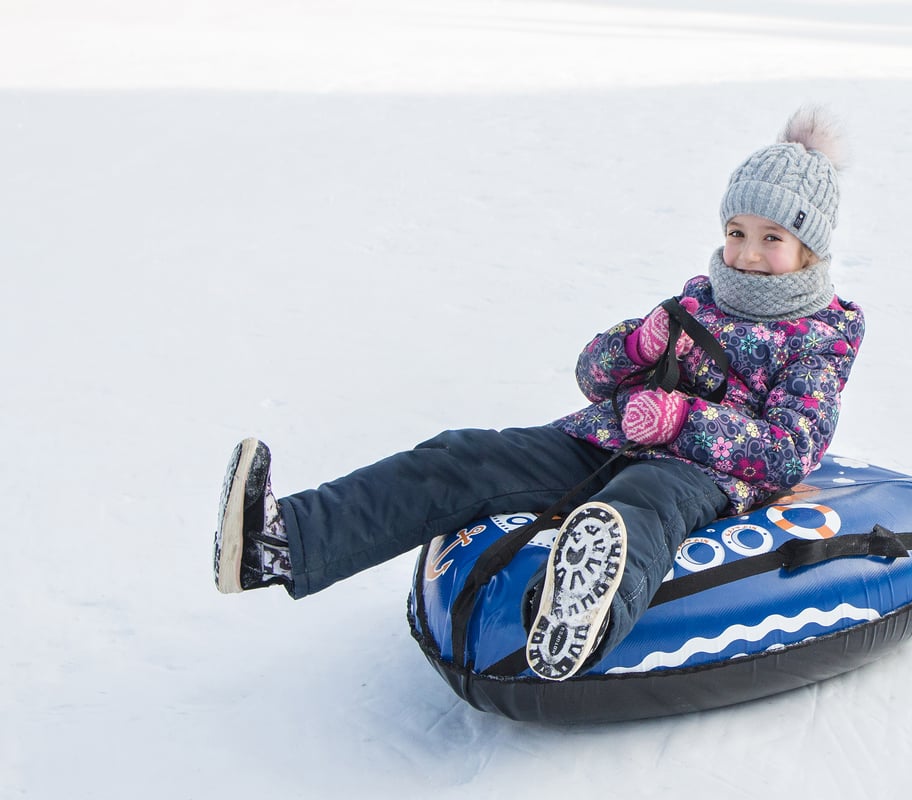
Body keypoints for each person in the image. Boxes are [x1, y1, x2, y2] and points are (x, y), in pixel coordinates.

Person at [213, 105, 866, 682]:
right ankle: (285, 542)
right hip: (609, 436)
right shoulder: (700, 297)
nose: (747, 254)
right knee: (462, 455)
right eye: (737, 232)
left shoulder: (822, 336)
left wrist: (680, 419)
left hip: (704, 474)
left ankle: (578, 627)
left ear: (809, 248)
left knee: (639, 504)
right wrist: (635, 348)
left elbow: (790, 448)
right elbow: (593, 374)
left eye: (771, 238)